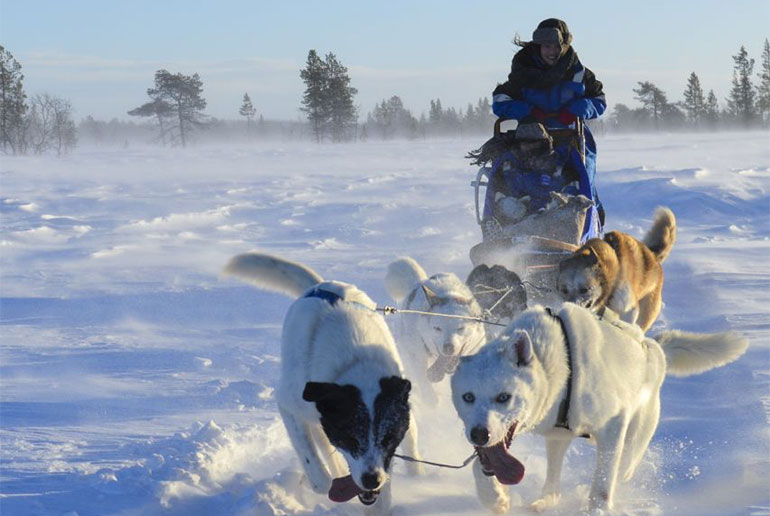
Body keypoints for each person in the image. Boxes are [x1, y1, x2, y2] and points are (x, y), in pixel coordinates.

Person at [491, 18, 606, 237]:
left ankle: (583, 231)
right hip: (530, 140)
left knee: (582, 179)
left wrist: (576, 109)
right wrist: (529, 112)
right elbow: (500, 101)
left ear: (564, 45)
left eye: (556, 46)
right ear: (538, 47)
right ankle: (508, 225)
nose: (551, 52)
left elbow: (599, 101)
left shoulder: (578, 72)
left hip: (571, 138)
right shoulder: (522, 71)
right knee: (517, 180)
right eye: (546, 46)